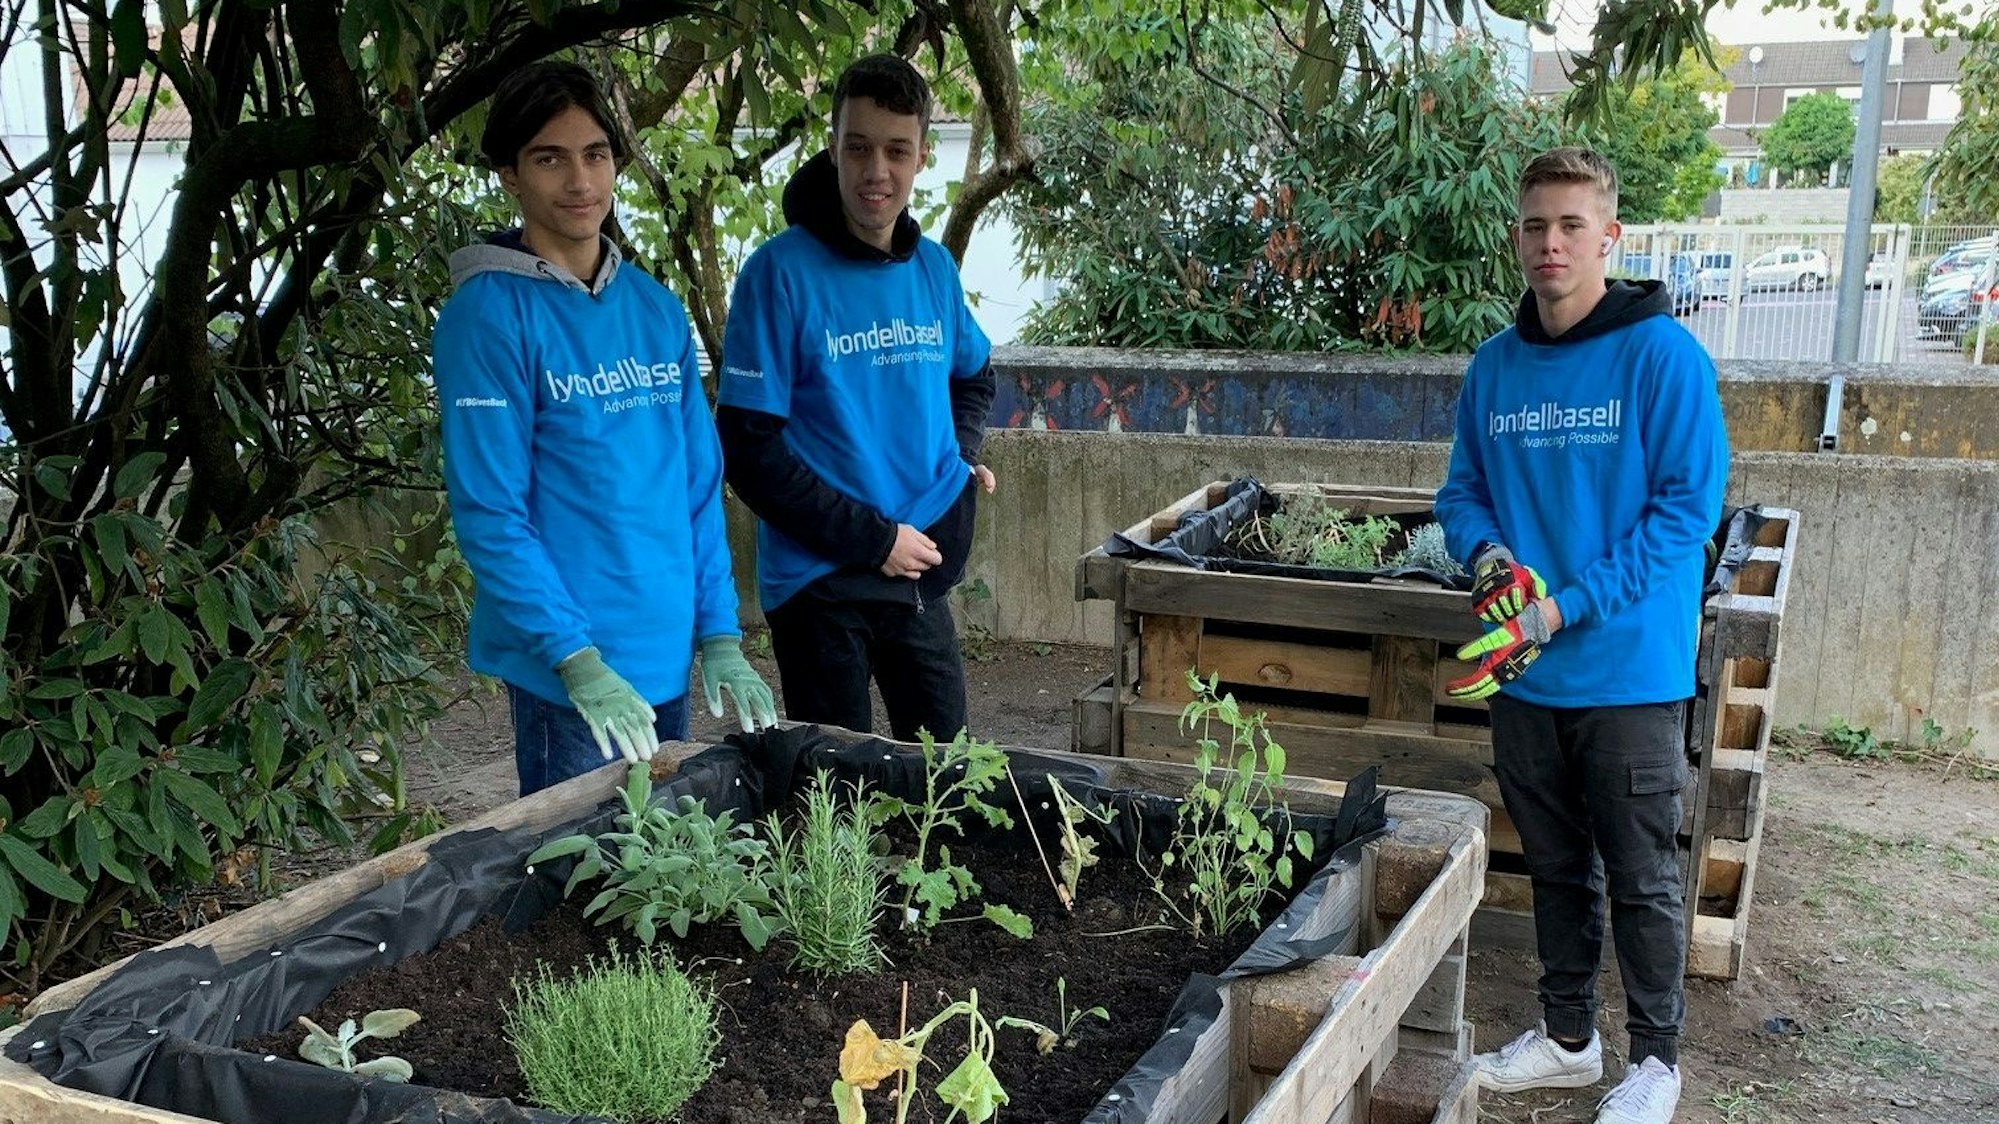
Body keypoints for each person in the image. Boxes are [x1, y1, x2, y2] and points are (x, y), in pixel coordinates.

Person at [1433, 146, 1728, 1124]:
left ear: (1609, 236)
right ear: (1515, 235)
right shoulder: (1494, 366)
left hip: (1630, 675)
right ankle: (1568, 1037)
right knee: (1555, 866)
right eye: (1534, 224)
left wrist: (1562, 604)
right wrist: (1487, 563)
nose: (1549, 242)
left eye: (1570, 225)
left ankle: (1655, 1061)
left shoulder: (1661, 356)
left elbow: (1685, 512)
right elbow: (1460, 493)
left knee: (1642, 874)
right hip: (1527, 678)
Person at [433, 60, 776, 797]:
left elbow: (695, 488)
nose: (580, 181)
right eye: (548, 158)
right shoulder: (486, 316)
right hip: (572, 675)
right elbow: (491, 512)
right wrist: (574, 658)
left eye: (595, 154)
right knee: (580, 890)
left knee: (664, 883)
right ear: (508, 174)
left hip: (667, 653)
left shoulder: (653, 309)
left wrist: (719, 634)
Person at [716, 53, 996, 743]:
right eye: (859, 147)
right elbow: (748, 452)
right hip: (820, 583)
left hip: (919, 568)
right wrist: (873, 540)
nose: (877, 171)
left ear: (921, 155)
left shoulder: (932, 269)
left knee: (945, 783)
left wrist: (960, 456)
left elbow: (975, 375)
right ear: (833, 147)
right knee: (835, 804)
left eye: (896, 151)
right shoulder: (775, 275)